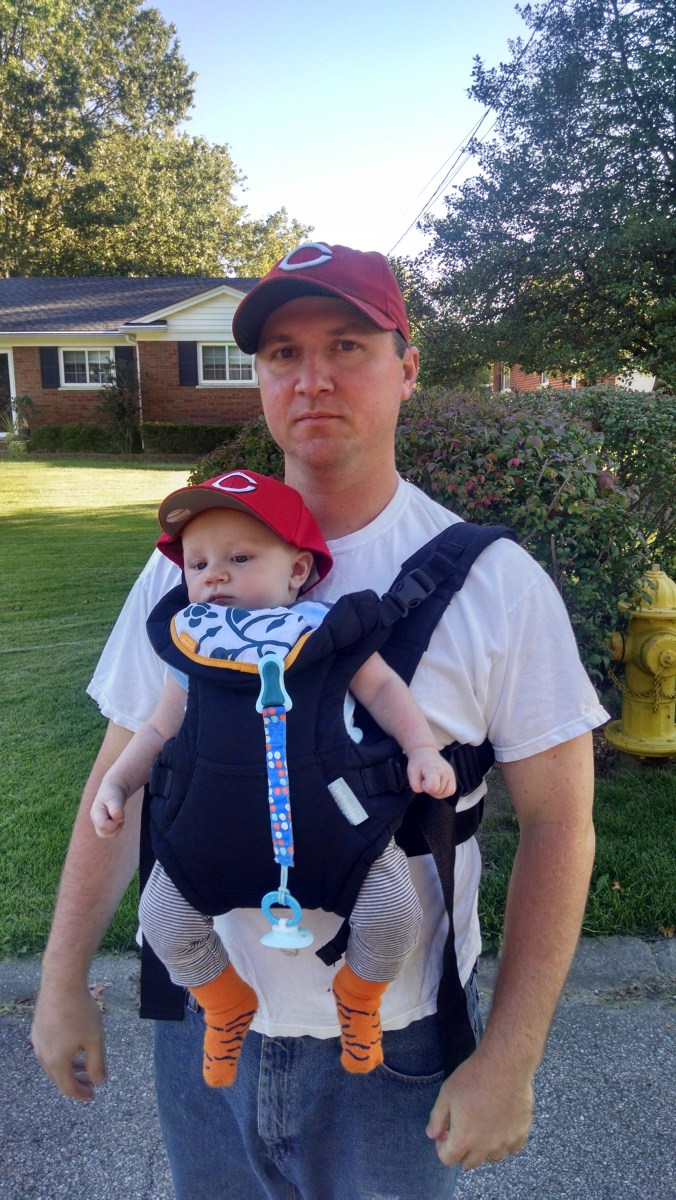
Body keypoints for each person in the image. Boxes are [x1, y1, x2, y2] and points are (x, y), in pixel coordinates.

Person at [32, 241, 606, 1199]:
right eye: (283, 354)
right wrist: (61, 982)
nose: (313, 379)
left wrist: (511, 1057)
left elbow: (560, 824)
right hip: (205, 1041)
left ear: (407, 367)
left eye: (348, 345)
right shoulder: (190, 578)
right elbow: (121, 777)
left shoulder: (495, 584)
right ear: (259, 378)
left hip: (397, 1048)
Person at [90, 470, 457, 1085]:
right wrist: (116, 784)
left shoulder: (326, 634)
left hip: (335, 826)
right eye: (198, 563)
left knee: (395, 913)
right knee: (163, 921)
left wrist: (421, 749)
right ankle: (224, 1001)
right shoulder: (195, 645)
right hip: (210, 833)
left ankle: (359, 995)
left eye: (239, 558)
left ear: (297, 571)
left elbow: (385, 690)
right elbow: (156, 731)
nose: (214, 575)